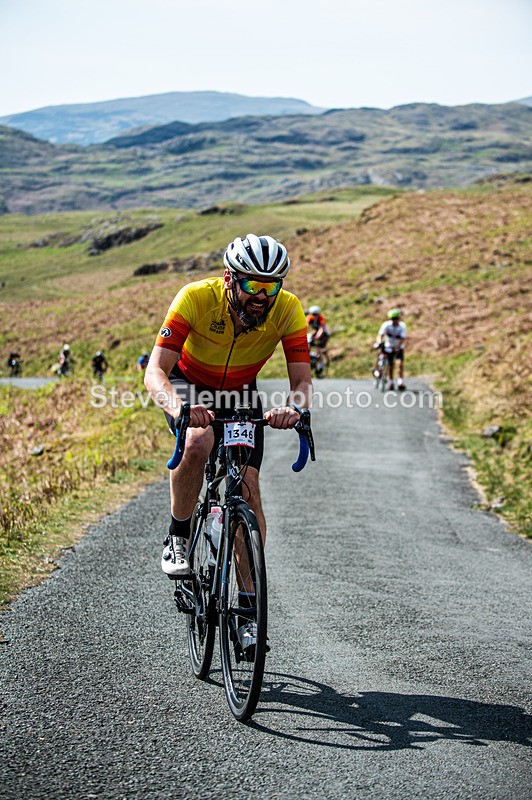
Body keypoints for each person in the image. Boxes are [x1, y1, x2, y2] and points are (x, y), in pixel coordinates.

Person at [144, 233, 312, 592]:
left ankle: (250, 608)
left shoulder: (287, 308)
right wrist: (179, 407)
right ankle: (179, 535)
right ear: (229, 279)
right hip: (188, 384)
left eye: (272, 287)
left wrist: (294, 409)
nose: (262, 297)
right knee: (198, 440)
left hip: (239, 393)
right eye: (252, 284)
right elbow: (155, 370)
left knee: (248, 488)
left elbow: (301, 381)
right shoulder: (195, 298)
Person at [373, 308, 407, 390]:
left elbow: (403, 339)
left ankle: (400, 382)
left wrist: (398, 347)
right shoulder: (386, 325)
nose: (394, 320)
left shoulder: (402, 326)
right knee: (390, 365)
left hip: (398, 347)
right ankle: (391, 382)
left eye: (396, 318)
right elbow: (380, 335)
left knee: (400, 364)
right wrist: (379, 342)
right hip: (389, 347)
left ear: (399, 318)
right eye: (392, 319)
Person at [306, 305, 331, 373]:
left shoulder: (321, 319)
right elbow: (306, 326)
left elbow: (321, 329)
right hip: (316, 332)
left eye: (316, 314)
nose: (315, 316)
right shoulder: (309, 317)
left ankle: (320, 366)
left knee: (319, 349)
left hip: (324, 335)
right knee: (308, 343)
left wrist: (317, 337)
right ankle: (309, 356)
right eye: (313, 314)